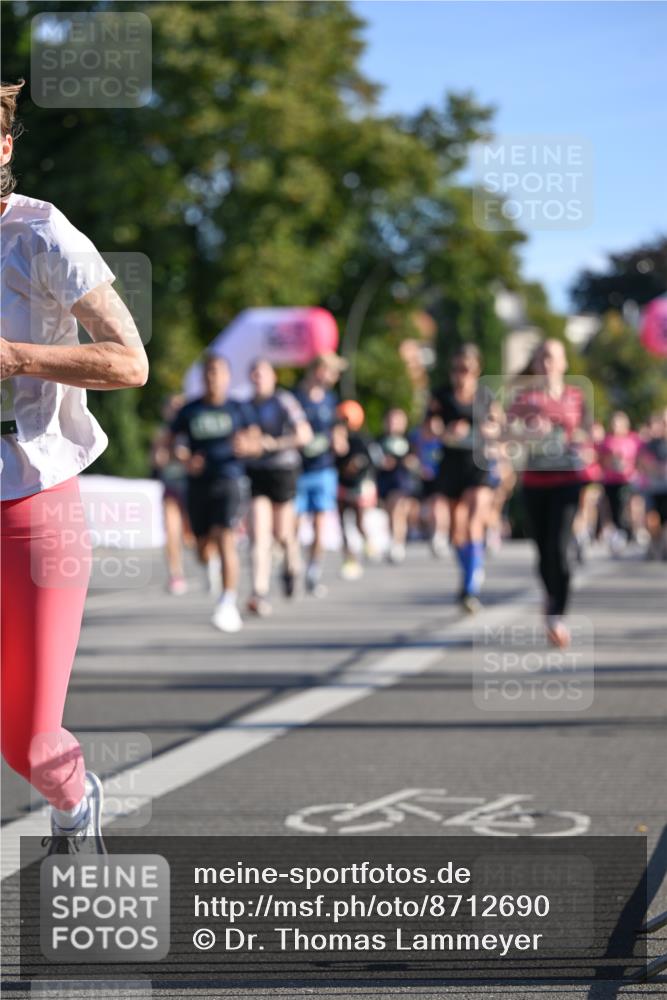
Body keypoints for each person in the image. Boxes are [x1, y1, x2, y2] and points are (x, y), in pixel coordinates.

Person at [0, 80, 149, 853]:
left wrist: (14, 357)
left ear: (3, 148)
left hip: (32, 497)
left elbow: (131, 362)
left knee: (24, 741)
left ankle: (71, 793)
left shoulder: (42, 236)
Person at [509, 339, 593, 647]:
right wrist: (525, 433)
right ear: (535, 363)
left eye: (551, 357)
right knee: (544, 553)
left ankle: (557, 616)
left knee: (560, 548)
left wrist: (583, 443)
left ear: (563, 363)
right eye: (541, 357)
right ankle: (550, 597)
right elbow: (500, 431)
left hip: (569, 480)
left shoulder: (576, 396)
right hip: (535, 482)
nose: (546, 363)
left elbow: (587, 433)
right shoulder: (525, 397)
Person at [166, 355, 254, 632]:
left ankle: (228, 602)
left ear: (227, 377)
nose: (212, 378)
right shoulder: (189, 410)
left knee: (225, 536)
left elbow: (256, 441)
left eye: (217, 372)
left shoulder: (238, 409)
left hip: (230, 479)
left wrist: (248, 445)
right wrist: (184, 460)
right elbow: (169, 445)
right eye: (208, 373)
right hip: (198, 484)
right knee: (202, 548)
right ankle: (212, 565)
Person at [429, 344, 498, 613]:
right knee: (457, 529)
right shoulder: (441, 395)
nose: (461, 374)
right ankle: (468, 573)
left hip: (477, 465)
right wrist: (446, 431)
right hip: (450, 465)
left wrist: (483, 430)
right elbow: (429, 428)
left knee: (472, 523)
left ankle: (472, 585)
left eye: (467, 369)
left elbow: (497, 425)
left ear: (476, 369)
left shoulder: (485, 395)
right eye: (457, 369)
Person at [243, 359, 312, 616]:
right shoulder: (246, 406)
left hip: (283, 470)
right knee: (258, 535)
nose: (258, 378)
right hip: (256, 472)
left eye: (262, 373)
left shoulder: (284, 401)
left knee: (282, 534)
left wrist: (275, 444)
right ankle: (258, 592)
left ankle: (292, 566)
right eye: (254, 374)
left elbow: (305, 435)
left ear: (273, 377)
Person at [294, 353, 347, 596]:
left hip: (324, 468)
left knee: (320, 524)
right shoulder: (295, 398)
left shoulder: (330, 399)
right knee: (292, 526)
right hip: (298, 470)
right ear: (318, 370)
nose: (334, 377)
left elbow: (336, 431)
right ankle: (292, 566)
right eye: (331, 371)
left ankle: (313, 572)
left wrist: (339, 440)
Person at [150, 394, 192, 595]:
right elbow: (157, 461)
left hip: (193, 488)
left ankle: (213, 563)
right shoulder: (163, 433)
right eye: (172, 407)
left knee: (192, 537)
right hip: (171, 487)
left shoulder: (191, 429)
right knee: (171, 531)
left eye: (179, 407)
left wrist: (184, 457)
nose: (175, 411)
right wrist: (165, 450)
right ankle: (176, 574)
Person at [334, 400, 378, 580]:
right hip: (341, 485)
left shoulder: (362, 440)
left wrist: (357, 464)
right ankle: (349, 559)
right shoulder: (336, 438)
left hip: (357, 486)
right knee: (343, 526)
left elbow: (370, 461)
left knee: (359, 522)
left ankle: (368, 543)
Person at [376, 408, 421, 563]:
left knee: (397, 510)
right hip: (383, 482)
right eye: (390, 420)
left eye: (397, 421)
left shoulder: (410, 440)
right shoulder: (379, 441)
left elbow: (416, 462)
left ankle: (397, 544)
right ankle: (392, 540)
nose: (393, 424)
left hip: (402, 482)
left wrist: (410, 463)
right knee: (390, 513)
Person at [598, 411, 641, 555]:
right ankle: (617, 533)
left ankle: (634, 531)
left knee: (630, 504)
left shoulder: (634, 439)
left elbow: (641, 459)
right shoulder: (607, 441)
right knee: (613, 507)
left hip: (628, 479)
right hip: (610, 480)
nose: (616, 426)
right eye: (614, 423)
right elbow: (602, 460)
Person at [410, 412, 449, 556]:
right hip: (422, 479)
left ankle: (440, 536)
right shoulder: (417, 439)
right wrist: (418, 468)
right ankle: (425, 531)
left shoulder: (445, 440)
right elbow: (412, 457)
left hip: (441, 479)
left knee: (439, 505)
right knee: (425, 510)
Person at [638, 408, 667, 560]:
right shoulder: (650, 444)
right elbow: (643, 462)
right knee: (653, 519)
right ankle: (655, 545)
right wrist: (656, 468)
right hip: (654, 488)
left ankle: (662, 546)